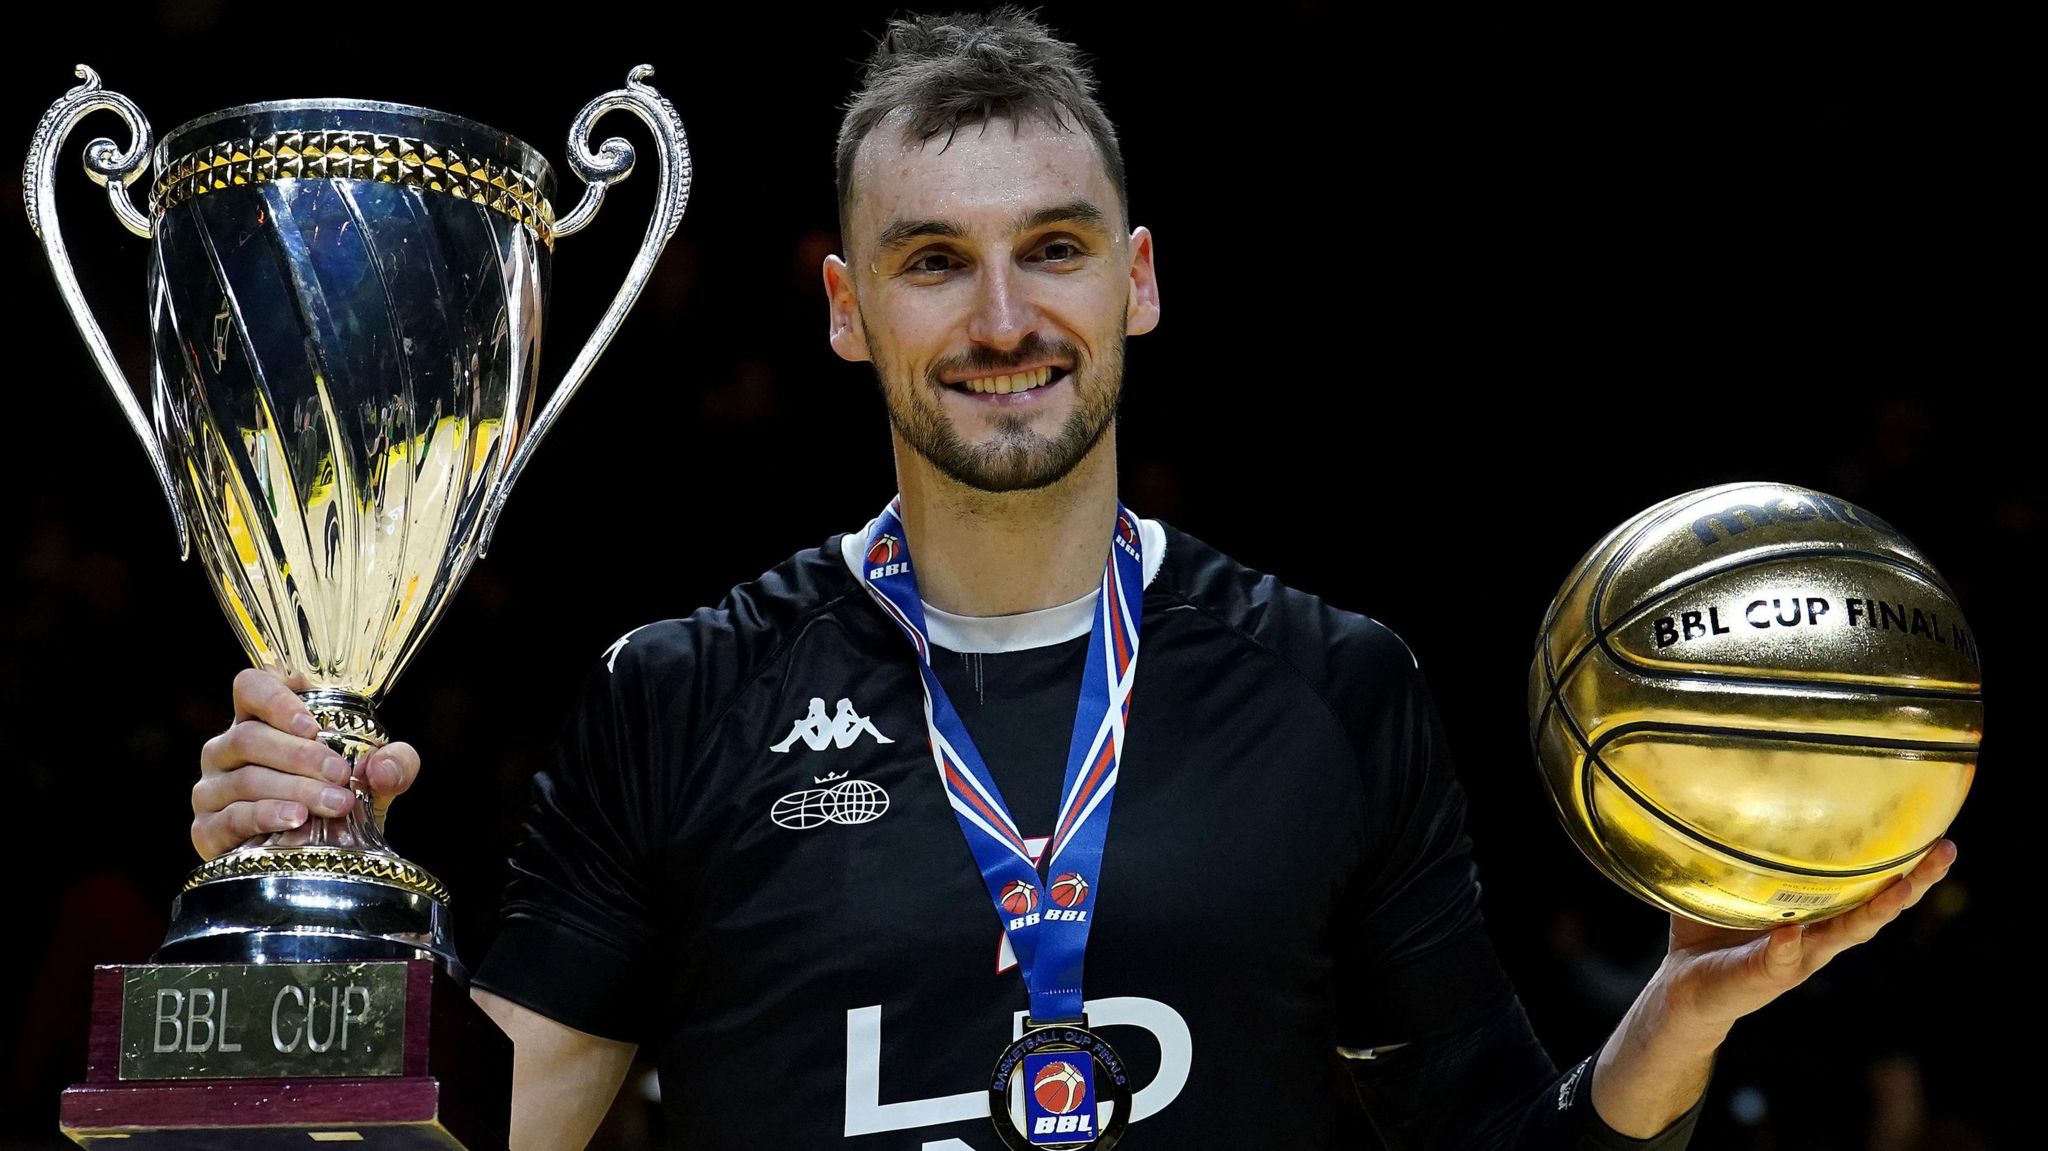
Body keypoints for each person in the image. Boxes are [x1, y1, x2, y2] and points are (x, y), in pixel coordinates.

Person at [188, 9, 1958, 1149]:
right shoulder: (686, 692)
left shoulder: (1335, 686)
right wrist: (312, 911)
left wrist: (1671, 1023)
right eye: (933, 263)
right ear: (843, 308)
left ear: (1141, 281)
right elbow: (496, 1135)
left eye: (1054, 251)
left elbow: (1502, 1147)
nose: (1005, 318)